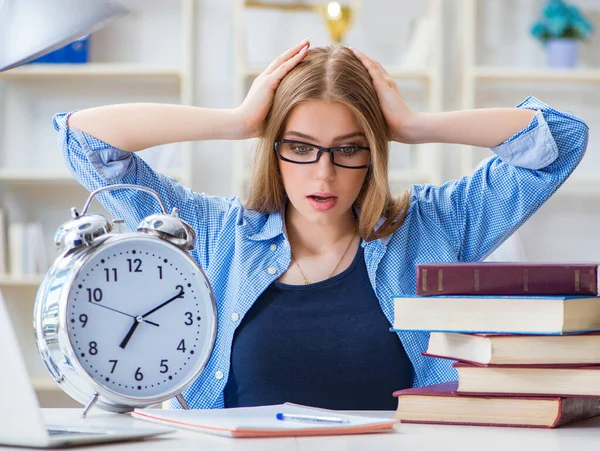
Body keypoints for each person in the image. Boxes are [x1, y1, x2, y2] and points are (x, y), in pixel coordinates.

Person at [54, 39, 588, 410]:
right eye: (300, 147)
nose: (324, 173)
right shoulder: (215, 235)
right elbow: (87, 142)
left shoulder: (432, 227)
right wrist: (239, 122)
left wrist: (412, 125)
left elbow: (559, 141)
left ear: (374, 152)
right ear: (275, 149)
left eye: (349, 149)